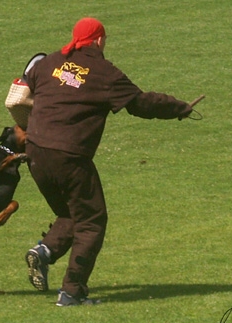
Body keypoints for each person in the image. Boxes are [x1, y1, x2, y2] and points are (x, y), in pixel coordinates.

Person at [23, 17, 193, 306]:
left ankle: (45, 251)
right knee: (92, 221)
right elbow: (140, 104)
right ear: (99, 41)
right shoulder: (104, 72)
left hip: (35, 152)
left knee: (71, 212)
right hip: (69, 156)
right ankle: (71, 292)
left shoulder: (48, 62)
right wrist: (178, 107)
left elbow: (25, 89)